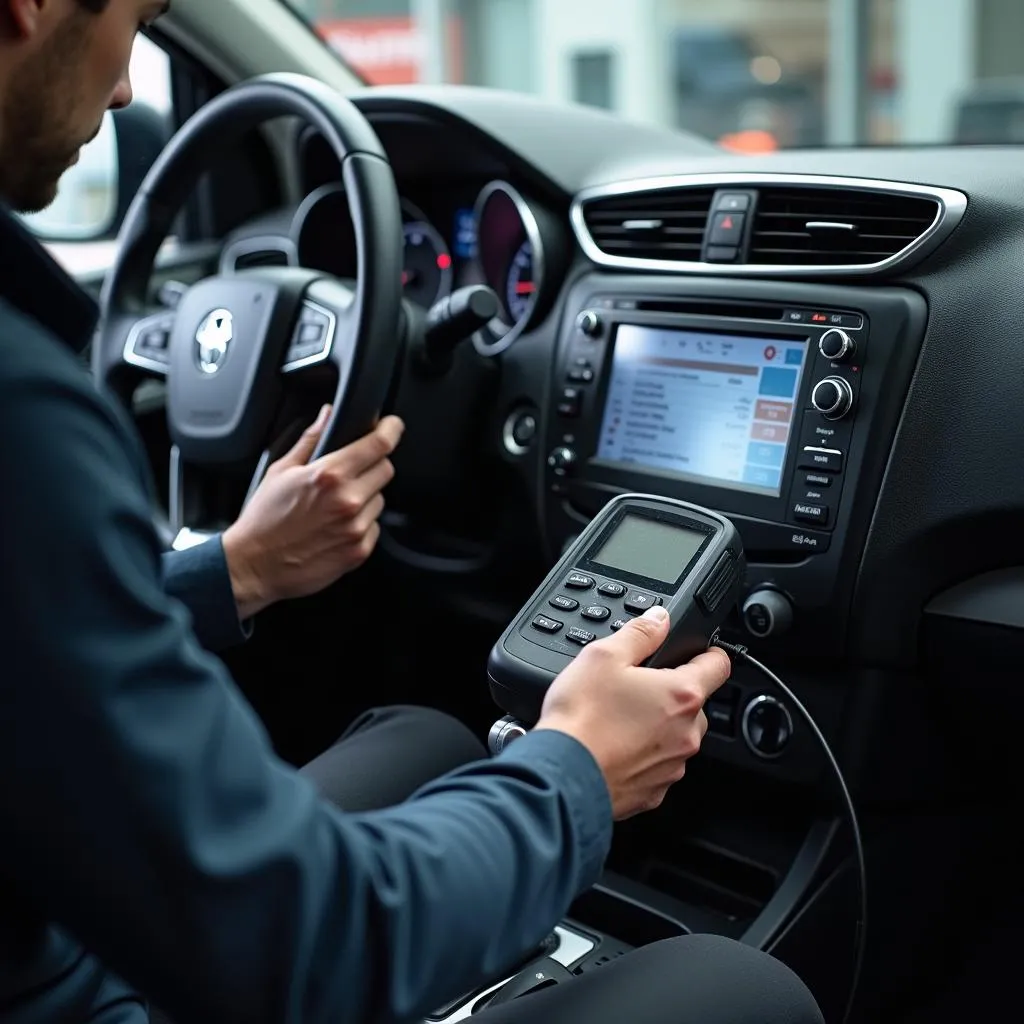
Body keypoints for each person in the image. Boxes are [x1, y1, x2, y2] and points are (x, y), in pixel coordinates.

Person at [0, 2, 827, 1022]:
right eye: (139, 17)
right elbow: (308, 947)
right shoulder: (23, 419)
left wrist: (236, 568)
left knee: (428, 740)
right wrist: (575, 773)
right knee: (743, 988)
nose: (129, 84)